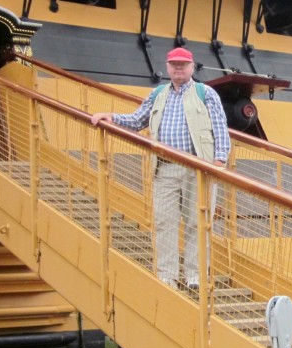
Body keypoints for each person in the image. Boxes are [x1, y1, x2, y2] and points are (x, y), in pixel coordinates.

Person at [91, 47, 230, 289]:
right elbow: (137, 120)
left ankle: (195, 277)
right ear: (167, 67)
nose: (178, 68)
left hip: (199, 167)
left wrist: (219, 161)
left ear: (192, 67)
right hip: (164, 169)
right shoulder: (157, 94)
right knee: (164, 221)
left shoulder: (205, 93)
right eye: (174, 64)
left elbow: (220, 128)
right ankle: (167, 276)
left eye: (183, 64)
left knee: (198, 223)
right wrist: (110, 117)